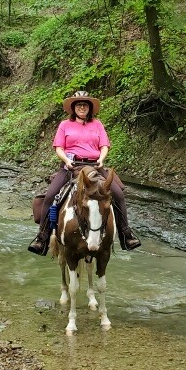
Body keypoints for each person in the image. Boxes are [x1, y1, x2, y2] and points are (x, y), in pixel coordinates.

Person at [28, 90, 142, 254]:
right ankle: (42, 237)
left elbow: (104, 146)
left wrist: (102, 159)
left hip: (95, 166)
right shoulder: (64, 125)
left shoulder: (97, 124)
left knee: (118, 195)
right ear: (74, 108)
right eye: (79, 104)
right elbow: (59, 147)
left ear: (89, 108)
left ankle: (126, 233)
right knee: (51, 196)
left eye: (85, 104)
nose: (82, 107)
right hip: (71, 166)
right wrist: (67, 162)